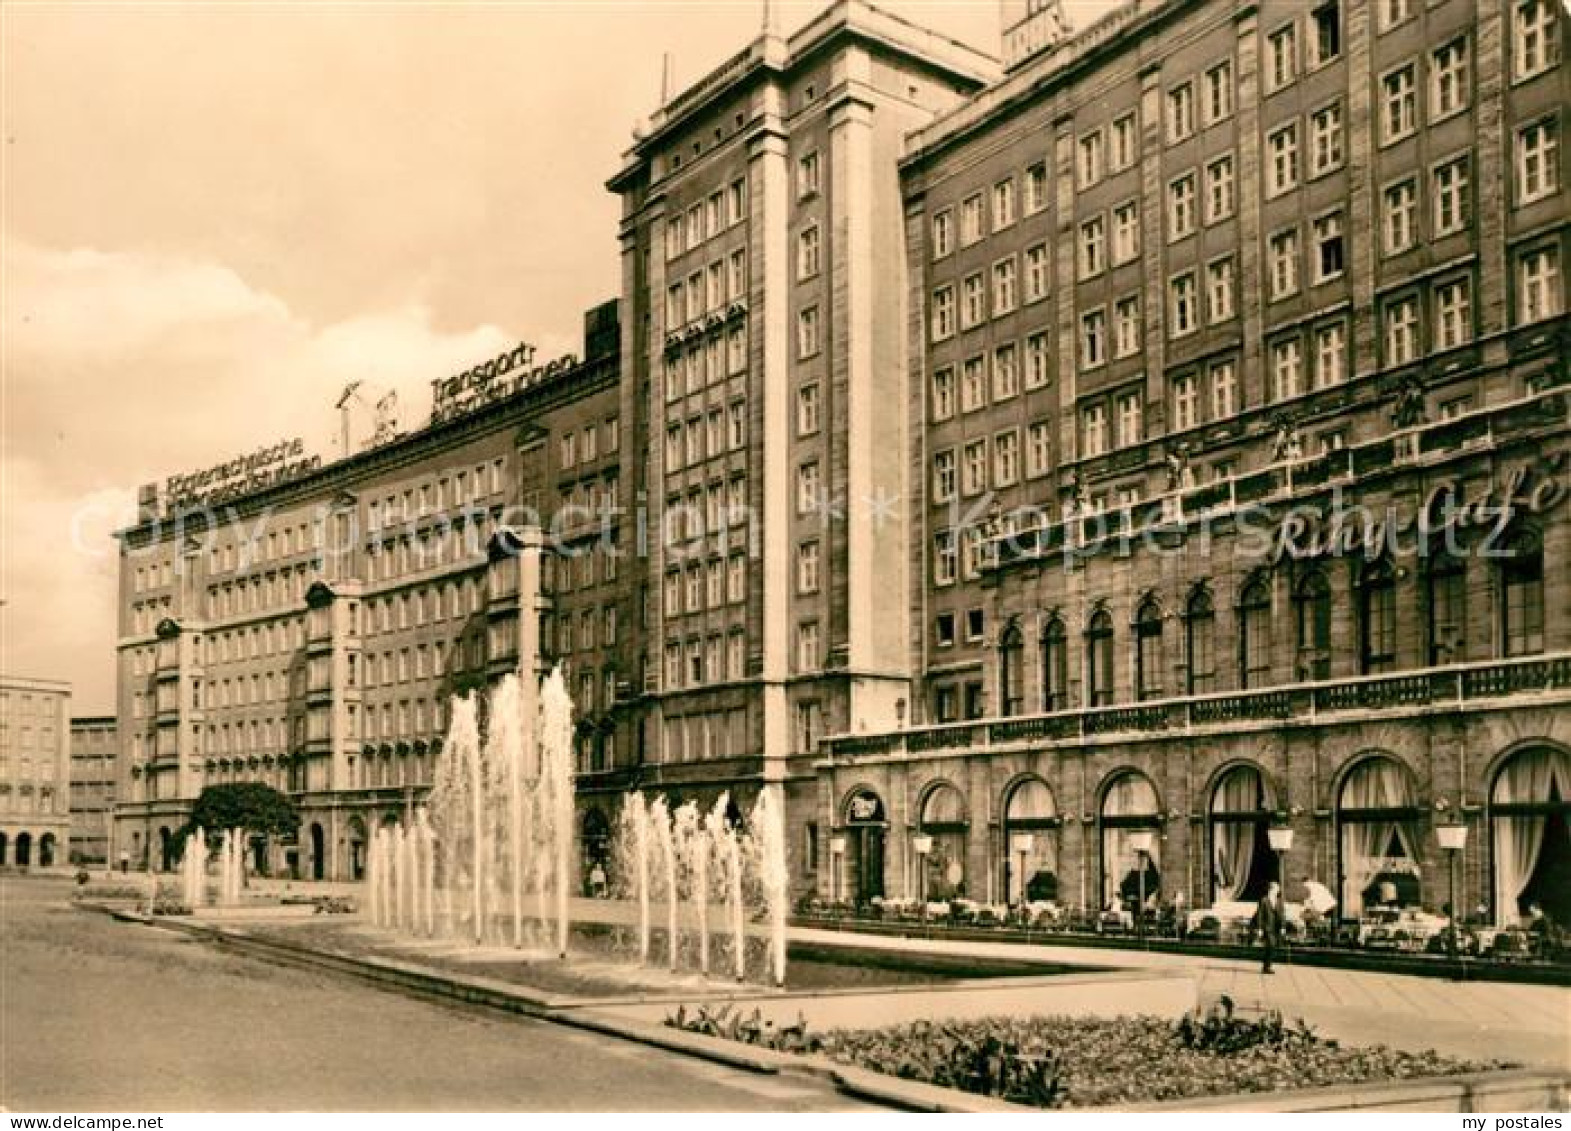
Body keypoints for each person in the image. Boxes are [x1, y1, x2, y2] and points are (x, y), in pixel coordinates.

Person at [1251, 881, 1285, 974]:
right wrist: (1259, 928)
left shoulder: (1279, 901)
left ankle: (1266, 966)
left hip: (1276, 926)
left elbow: (1282, 915)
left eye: (1278, 889)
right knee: (1271, 944)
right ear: (1271, 889)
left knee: (1272, 947)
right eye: (1276, 889)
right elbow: (1260, 914)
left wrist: (1282, 927)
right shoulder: (1264, 900)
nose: (1278, 890)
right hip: (1267, 926)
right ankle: (1267, 967)